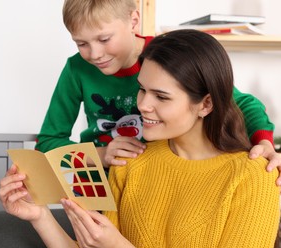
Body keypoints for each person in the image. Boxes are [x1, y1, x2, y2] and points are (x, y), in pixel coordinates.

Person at [0, 29, 280, 248]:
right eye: (142, 89)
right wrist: (39, 216)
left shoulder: (253, 178)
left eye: (161, 96)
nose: (143, 105)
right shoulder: (130, 162)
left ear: (205, 104)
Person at [34, 0, 281, 190]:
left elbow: (240, 101)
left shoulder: (165, 56)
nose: (95, 54)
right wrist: (101, 155)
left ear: (133, 20)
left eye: (104, 39)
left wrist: (264, 142)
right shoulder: (77, 69)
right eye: (81, 43)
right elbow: (48, 142)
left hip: (158, 179)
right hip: (103, 185)